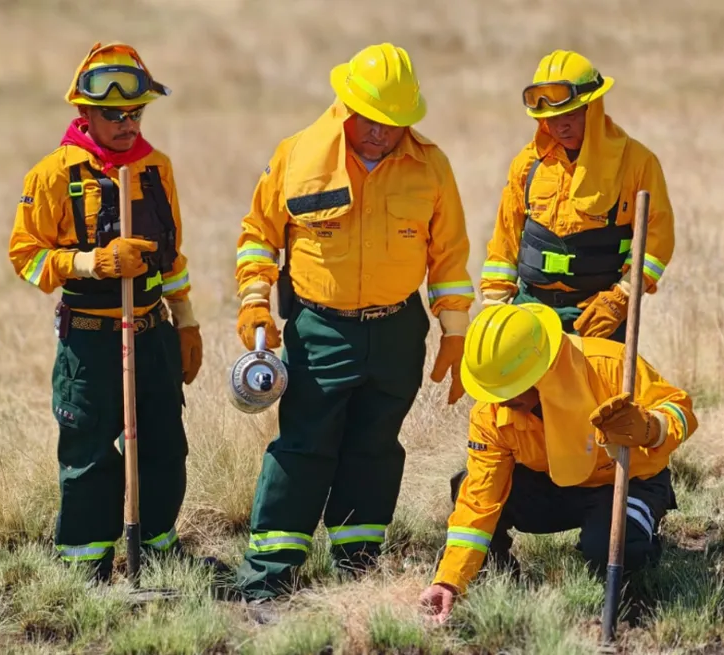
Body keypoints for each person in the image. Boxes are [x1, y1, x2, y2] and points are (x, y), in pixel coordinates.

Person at [225, 42, 475, 601]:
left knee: (376, 445)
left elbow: (450, 257)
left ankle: (358, 565)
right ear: (346, 104)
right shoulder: (297, 155)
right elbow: (259, 236)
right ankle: (269, 576)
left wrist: (454, 331)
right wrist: (253, 300)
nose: (383, 133)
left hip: (397, 331)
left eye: (395, 122)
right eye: (373, 120)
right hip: (320, 330)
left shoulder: (430, 165)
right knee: (305, 444)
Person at [7, 42, 202, 581]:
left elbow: (173, 257)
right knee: (91, 455)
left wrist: (186, 322)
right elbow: (25, 257)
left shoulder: (156, 169)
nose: (126, 123)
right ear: (84, 113)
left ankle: (160, 549)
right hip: (91, 339)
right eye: (113, 114)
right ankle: (83, 566)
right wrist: (92, 262)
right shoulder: (52, 175)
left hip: (152, 332)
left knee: (165, 446)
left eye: (135, 112)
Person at [418, 302, 697, 623]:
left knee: (612, 548)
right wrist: (449, 579)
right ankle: (498, 574)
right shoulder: (492, 412)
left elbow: (681, 409)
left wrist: (650, 427)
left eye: (509, 393)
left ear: (541, 372)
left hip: (624, 481)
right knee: (466, 483)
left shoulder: (609, 364)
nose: (501, 403)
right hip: (554, 484)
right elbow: (480, 499)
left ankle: (639, 554)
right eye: (494, 394)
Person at [478, 49, 675, 344]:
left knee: (595, 390)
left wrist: (620, 298)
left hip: (595, 312)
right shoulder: (527, 164)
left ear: (592, 109)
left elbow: (656, 241)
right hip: (530, 308)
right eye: (552, 118)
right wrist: (495, 302)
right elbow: (505, 240)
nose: (561, 126)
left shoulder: (637, 163)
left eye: (570, 114)